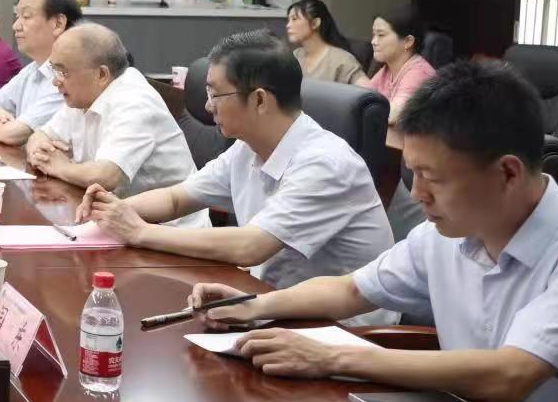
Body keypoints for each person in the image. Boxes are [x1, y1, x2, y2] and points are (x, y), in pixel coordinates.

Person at [190, 61, 558, 402]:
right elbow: (350, 290)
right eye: (413, 173)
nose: (417, 193)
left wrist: (330, 357)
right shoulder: (445, 234)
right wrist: (254, 305)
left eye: (433, 177)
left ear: (507, 173)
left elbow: (511, 375)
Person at [77, 32, 394, 316]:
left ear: (259, 100)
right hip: (270, 304)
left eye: (215, 94)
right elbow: (176, 198)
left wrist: (141, 232)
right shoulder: (247, 148)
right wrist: (114, 209)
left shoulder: (325, 164)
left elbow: (251, 246)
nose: (207, 105)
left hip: (341, 329)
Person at [27, 23, 203, 223]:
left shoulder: (134, 101)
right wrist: (40, 151)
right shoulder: (82, 94)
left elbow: (105, 176)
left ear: (101, 74)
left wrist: (59, 166)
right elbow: (39, 135)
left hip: (167, 230)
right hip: (114, 219)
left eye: (63, 72)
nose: (55, 81)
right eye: (54, 70)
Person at [0, 0, 79, 145]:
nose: (16, 26)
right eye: (17, 17)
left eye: (26, 16)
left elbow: (14, 134)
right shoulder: (32, 69)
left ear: (58, 23)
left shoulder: (69, 76)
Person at [362, 4, 437, 148]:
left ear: (408, 41)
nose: (373, 42)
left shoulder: (418, 73)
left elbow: (392, 115)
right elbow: (363, 101)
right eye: (373, 35)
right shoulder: (386, 70)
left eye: (381, 35)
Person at [287, 0, 366, 84]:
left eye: (294, 19)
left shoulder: (343, 60)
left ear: (315, 23)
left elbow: (369, 91)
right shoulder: (296, 55)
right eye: (288, 20)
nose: (288, 25)